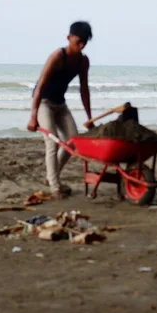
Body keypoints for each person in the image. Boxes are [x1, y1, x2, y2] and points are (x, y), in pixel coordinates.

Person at [27, 21, 93, 199]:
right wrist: (33, 116)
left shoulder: (83, 61)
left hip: (60, 104)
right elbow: (40, 86)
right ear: (69, 38)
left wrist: (90, 117)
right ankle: (55, 187)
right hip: (43, 103)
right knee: (52, 143)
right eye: (78, 42)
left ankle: (51, 177)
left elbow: (84, 89)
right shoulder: (57, 56)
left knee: (73, 142)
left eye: (84, 43)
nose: (81, 46)